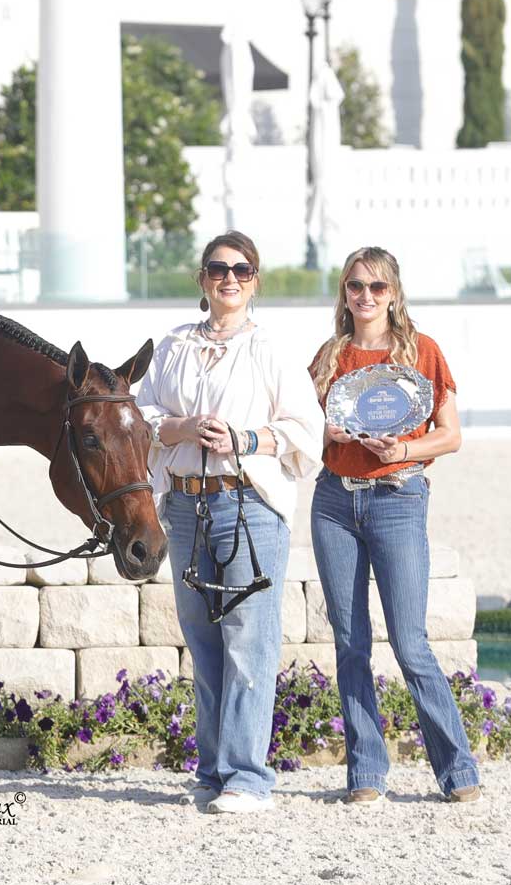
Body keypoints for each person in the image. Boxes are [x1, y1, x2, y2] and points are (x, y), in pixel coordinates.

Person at [136, 232, 323, 815]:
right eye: (218, 269)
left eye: (241, 270)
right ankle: (213, 770)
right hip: (185, 506)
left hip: (249, 505)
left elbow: (305, 433)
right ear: (202, 279)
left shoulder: (270, 350)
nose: (229, 278)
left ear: (255, 280)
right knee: (204, 642)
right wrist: (182, 427)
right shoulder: (172, 347)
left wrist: (243, 439)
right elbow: (141, 418)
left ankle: (248, 777)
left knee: (249, 641)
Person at [309, 246, 480, 806]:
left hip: (398, 499)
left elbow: (450, 435)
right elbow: (301, 433)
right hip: (335, 502)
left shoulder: (422, 353)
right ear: (345, 293)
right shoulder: (330, 357)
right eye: (355, 286)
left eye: (376, 287)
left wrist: (404, 445)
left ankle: (457, 772)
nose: (365, 296)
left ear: (394, 293)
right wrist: (326, 436)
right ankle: (365, 772)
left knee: (409, 642)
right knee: (350, 642)